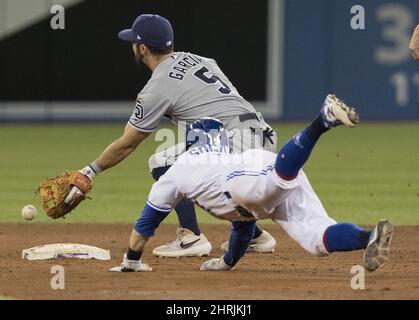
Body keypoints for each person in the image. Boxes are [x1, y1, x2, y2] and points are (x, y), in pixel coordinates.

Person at [109, 94, 394, 273]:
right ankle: (369, 237)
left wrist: (131, 260)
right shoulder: (223, 158)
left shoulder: (179, 169)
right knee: (318, 240)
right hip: (256, 180)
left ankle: (322, 121)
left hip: (245, 179)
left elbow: (145, 226)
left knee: (279, 179)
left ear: (191, 142)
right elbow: (243, 229)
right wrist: (226, 263)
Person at [72, 13, 278, 258]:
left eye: (133, 43)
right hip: (263, 134)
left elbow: (128, 144)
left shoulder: (157, 89)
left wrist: (90, 171)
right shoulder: (198, 59)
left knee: (164, 163)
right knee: (178, 162)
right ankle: (254, 236)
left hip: (236, 142)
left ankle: (191, 237)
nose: (132, 48)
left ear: (142, 48)